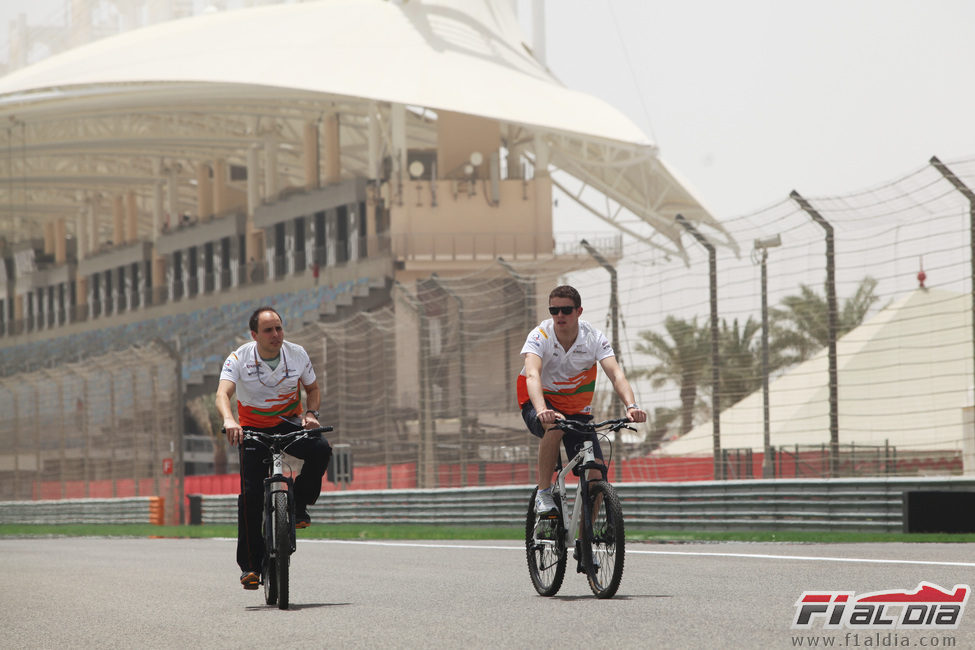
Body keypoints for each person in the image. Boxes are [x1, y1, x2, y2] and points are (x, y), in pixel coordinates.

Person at [216, 306, 332, 590]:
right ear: (254, 334)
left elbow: (312, 389)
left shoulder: (297, 354)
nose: (276, 334)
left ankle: (300, 505)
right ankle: (250, 567)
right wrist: (230, 420)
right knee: (251, 497)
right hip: (252, 430)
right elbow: (223, 393)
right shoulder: (238, 358)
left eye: (279, 328)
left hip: (289, 423)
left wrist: (311, 414)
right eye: (268, 330)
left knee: (321, 448)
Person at [516, 285, 647, 514]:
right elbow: (532, 374)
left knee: (596, 477)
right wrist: (541, 410)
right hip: (539, 402)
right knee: (555, 426)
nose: (559, 316)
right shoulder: (541, 335)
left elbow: (616, 374)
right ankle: (544, 493)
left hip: (577, 411)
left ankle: (584, 546)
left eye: (566, 310)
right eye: (553, 310)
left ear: (579, 311)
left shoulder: (593, 338)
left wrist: (632, 406)